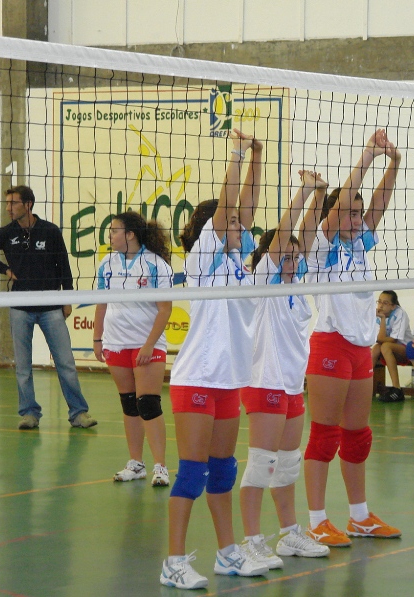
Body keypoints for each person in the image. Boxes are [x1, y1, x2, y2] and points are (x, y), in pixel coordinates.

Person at [160, 131, 268, 589]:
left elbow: (247, 206)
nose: (242, 225)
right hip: (197, 377)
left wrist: (258, 155)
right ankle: (173, 562)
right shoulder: (203, 259)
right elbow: (229, 208)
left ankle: (227, 553)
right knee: (191, 473)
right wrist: (237, 154)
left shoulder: (241, 262)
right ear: (214, 230)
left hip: (228, 380)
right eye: (233, 223)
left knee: (223, 471)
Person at [303, 129, 403, 548]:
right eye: (349, 212)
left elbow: (378, 202)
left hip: (361, 348)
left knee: (358, 436)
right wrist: (367, 156)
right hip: (330, 343)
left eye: (359, 213)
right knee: (324, 435)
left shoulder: (361, 241)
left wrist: (394, 163)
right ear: (334, 214)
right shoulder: (321, 246)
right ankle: (316, 520)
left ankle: (359, 517)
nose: (357, 217)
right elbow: (346, 200)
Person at [237, 170, 332, 568]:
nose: (293, 260)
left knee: (288, 464)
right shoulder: (264, 283)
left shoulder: (296, 286)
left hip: (293, 386)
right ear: (270, 259)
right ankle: (250, 540)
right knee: (262, 464)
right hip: (265, 383)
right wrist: (303, 191)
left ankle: (290, 534)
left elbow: (303, 237)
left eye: (296, 257)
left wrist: (320, 197)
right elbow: (286, 234)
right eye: (286, 257)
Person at [0, 185, 96, 430]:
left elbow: (64, 265)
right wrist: (5, 270)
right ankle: (29, 413)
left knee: (65, 362)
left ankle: (78, 413)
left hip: (50, 307)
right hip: (20, 307)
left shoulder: (50, 231)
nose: (9, 208)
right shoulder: (7, 233)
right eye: (7, 203)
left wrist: (66, 299)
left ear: (28, 204)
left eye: (13, 203)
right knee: (23, 366)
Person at [92, 211, 174, 487]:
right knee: (129, 404)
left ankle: (161, 466)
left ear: (130, 234)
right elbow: (101, 303)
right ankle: (136, 463)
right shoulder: (107, 264)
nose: (110, 235)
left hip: (146, 344)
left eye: (114, 230)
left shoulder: (155, 264)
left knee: (148, 404)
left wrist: (149, 345)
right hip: (116, 343)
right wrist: (98, 339)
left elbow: (165, 309)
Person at [372, 290, 413, 403]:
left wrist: (382, 319)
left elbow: (393, 340)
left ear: (393, 306)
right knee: (375, 349)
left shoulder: (400, 314)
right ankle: (364, 384)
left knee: (385, 346)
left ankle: (397, 389)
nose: (380, 305)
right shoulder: (377, 315)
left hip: (406, 350)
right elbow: (378, 339)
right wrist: (382, 319)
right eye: (379, 302)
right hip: (387, 350)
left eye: (385, 303)